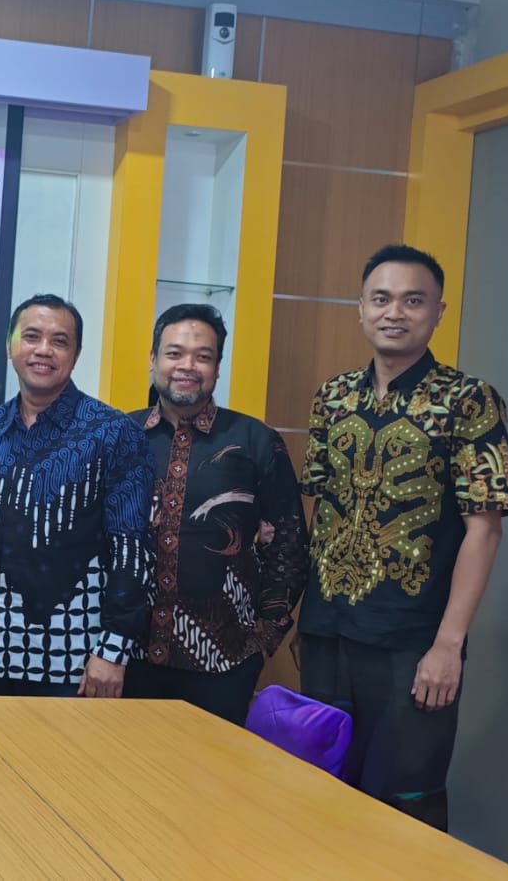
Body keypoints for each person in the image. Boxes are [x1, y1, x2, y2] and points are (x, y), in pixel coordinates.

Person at [298, 244, 508, 830]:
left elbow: (485, 530)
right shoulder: (333, 396)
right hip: (328, 631)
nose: (394, 312)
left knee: (405, 804)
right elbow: (323, 510)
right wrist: (305, 617)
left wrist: (449, 645)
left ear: (438, 313)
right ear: (361, 309)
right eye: (381, 298)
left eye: (412, 301)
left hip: (413, 643)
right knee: (317, 791)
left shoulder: (469, 400)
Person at [0, 294, 156, 697]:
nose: (44, 350)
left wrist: (113, 650)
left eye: (60, 341)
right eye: (32, 336)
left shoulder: (113, 433)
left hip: (74, 660)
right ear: (10, 346)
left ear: (76, 354)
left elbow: (132, 549)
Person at [124, 304, 309, 724]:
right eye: (174, 353)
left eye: (202, 356)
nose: (187, 366)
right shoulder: (122, 436)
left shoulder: (255, 441)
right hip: (127, 658)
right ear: (153, 359)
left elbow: (290, 545)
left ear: (217, 368)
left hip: (224, 663)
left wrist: (264, 638)